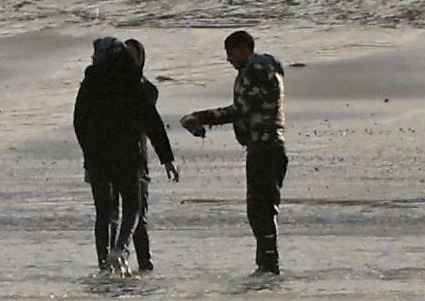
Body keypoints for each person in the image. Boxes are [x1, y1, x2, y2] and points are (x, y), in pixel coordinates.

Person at [181, 29, 288, 276]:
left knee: (259, 209)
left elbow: (241, 110)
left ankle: (268, 265)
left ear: (243, 49)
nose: (229, 60)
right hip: (273, 146)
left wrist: (200, 118)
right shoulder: (269, 69)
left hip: (263, 148)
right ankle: (267, 262)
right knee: (266, 207)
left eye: (230, 53)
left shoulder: (253, 70)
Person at [74, 37, 176, 275]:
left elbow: (79, 122)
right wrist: (166, 157)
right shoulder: (131, 82)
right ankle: (119, 249)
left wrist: (89, 154)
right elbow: (151, 121)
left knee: (104, 211)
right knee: (133, 205)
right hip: (126, 155)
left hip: (98, 158)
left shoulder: (89, 84)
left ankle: (103, 264)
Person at [123, 39, 174, 275]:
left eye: (133, 57)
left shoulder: (147, 90)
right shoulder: (107, 87)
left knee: (138, 214)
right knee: (111, 214)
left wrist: (166, 158)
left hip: (137, 158)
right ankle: (111, 261)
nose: (129, 61)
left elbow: (152, 124)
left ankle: (144, 264)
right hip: (110, 158)